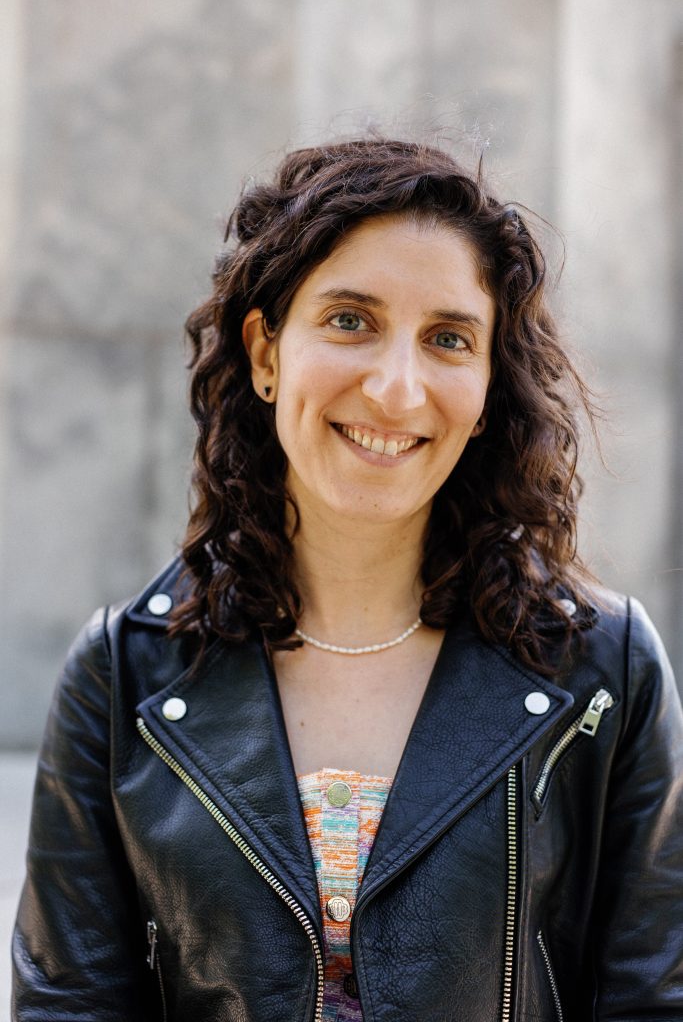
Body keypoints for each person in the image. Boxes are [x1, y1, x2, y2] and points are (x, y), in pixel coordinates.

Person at [12, 137, 683, 1022]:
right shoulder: (123, 676)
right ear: (264, 353)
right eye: (349, 320)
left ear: (486, 388)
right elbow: (70, 1008)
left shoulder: (605, 670)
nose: (397, 389)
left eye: (447, 338)